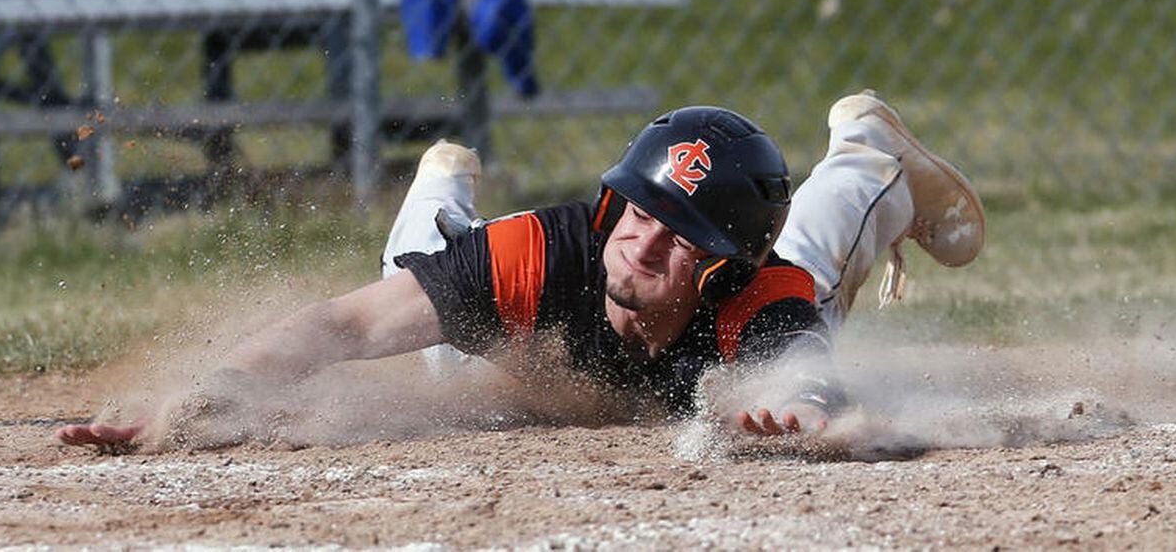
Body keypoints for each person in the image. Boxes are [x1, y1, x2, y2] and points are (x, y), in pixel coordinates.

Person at [58, 90, 984, 447]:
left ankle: (866, 155)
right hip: (510, 320)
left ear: (720, 271)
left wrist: (800, 412)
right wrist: (205, 394)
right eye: (639, 214)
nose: (643, 243)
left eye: (680, 240)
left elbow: (809, 375)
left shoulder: (758, 293)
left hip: (769, 273)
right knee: (433, 328)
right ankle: (438, 190)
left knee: (814, 263)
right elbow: (344, 326)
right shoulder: (543, 253)